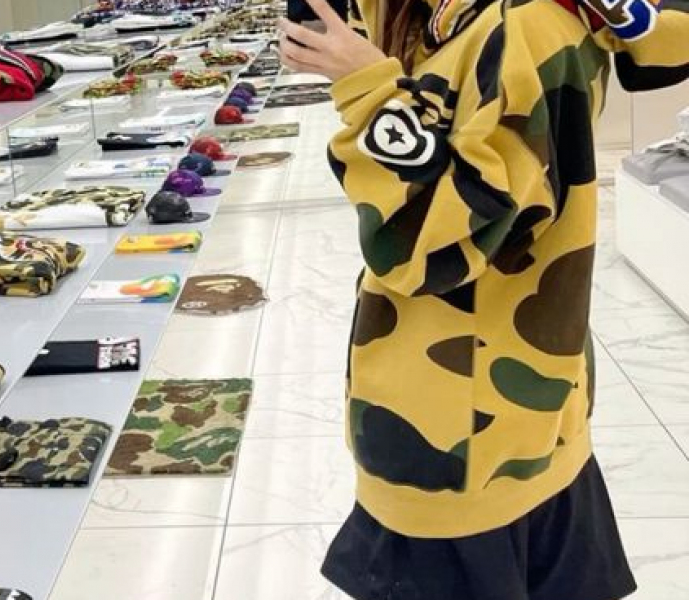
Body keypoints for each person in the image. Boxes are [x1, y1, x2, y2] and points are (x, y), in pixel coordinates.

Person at [277, 0, 689, 599]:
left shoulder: (523, 28)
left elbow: (429, 243)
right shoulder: (455, 17)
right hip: (507, 419)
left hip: (463, 438)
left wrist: (367, 89)